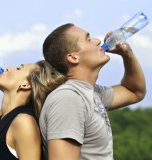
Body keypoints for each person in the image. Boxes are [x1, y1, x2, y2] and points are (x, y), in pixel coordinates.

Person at [39, 23, 146, 160]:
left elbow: (135, 92)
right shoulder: (68, 99)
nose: (98, 41)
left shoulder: (92, 92)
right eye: (88, 39)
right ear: (73, 57)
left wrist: (127, 54)